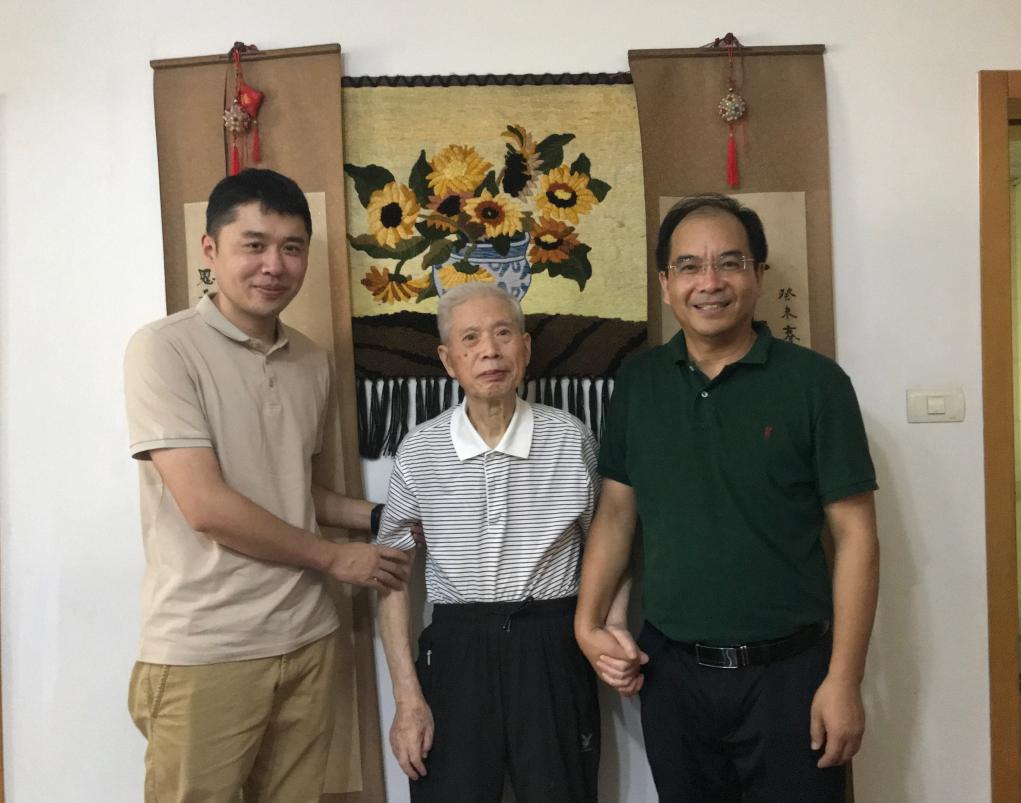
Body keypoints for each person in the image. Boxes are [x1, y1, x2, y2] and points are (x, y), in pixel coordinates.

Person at [575, 193, 879, 802]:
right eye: (688, 266)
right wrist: (587, 623)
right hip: (672, 674)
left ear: (759, 274)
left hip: (791, 675)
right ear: (666, 284)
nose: (709, 282)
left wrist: (844, 680)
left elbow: (857, 537)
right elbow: (615, 514)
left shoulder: (816, 384)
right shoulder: (639, 382)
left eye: (729, 263)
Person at [123, 168, 411, 803]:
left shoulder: (311, 360)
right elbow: (206, 506)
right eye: (253, 244)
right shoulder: (163, 349)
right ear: (211, 249)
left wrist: (387, 515)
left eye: (291, 247)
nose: (273, 265)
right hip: (207, 648)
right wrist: (337, 558)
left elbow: (293, 492)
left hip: (309, 639)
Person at [375, 282, 603, 802]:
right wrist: (407, 698)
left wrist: (606, 628)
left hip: (551, 645)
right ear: (448, 360)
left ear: (526, 347)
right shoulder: (420, 449)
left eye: (503, 334)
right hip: (456, 650)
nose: (490, 352)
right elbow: (391, 577)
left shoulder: (571, 439)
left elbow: (608, 550)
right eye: (470, 338)